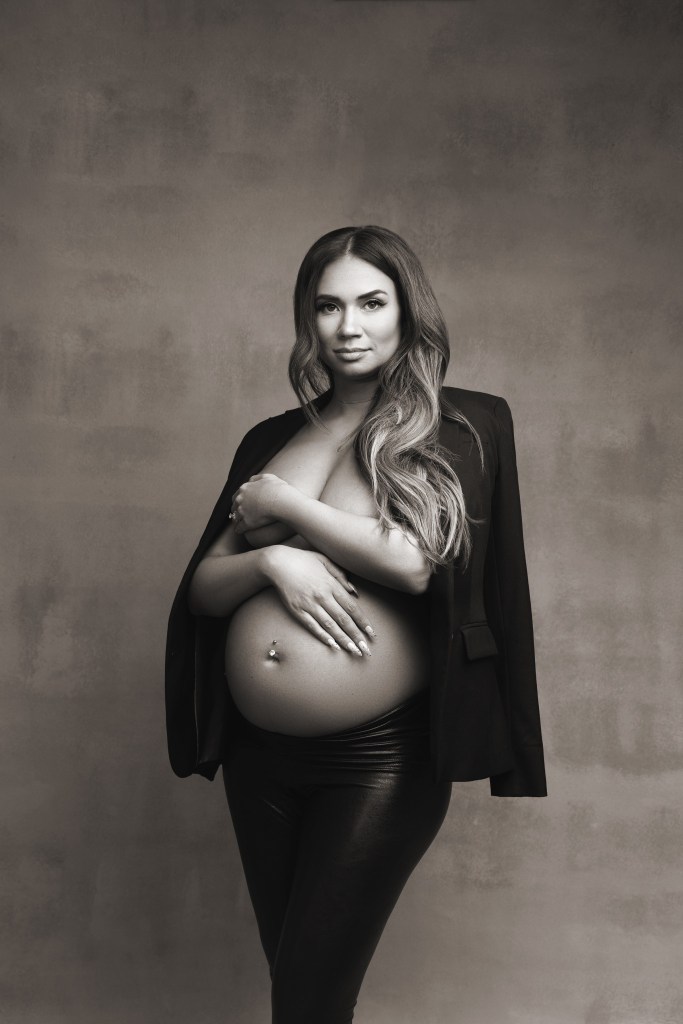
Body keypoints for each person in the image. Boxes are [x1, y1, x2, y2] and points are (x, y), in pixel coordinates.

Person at [165, 225, 547, 1024]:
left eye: (371, 303)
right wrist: (277, 562)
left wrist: (285, 512)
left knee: (305, 995)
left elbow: (414, 563)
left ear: (408, 312)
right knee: (301, 992)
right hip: (259, 758)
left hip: (376, 760)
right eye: (327, 306)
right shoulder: (271, 439)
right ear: (307, 319)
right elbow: (204, 588)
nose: (348, 327)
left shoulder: (459, 424)